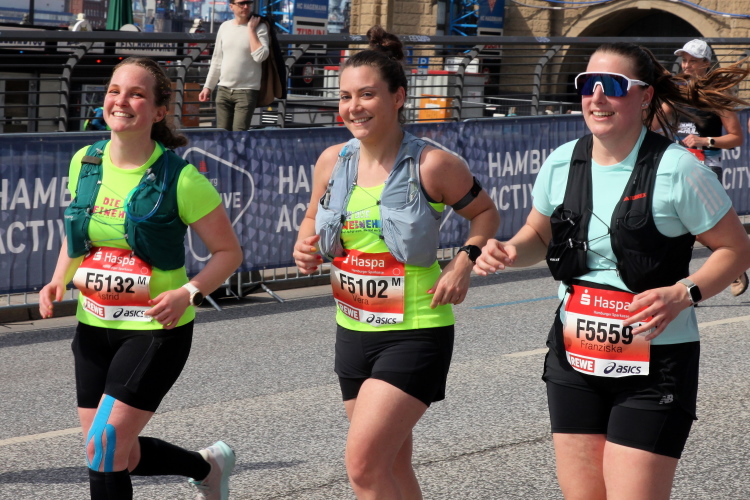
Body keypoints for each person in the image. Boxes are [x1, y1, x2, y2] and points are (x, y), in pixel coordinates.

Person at [474, 42, 750, 500]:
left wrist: (683, 292)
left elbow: (736, 250)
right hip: (575, 355)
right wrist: (508, 250)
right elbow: (538, 235)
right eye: (588, 84)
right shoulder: (563, 161)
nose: (597, 97)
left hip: (656, 362)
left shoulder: (678, 169)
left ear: (645, 96)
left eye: (614, 86)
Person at [293, 26, 499, 499]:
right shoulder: (331, 161)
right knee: (391, 464)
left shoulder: (432, 165)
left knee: (363, 467)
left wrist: (463, 261)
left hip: (416, 330)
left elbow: (486, 213)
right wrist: (305, 244)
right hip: (352, 329)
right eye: (346, 97)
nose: (354, 107)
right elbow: (310, 217)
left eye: (367, 95)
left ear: (398, 97)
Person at [38, 57, 243, 500]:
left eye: (136, 94)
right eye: (115, 90)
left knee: (105, 446)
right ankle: (206, 468)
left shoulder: (182, 179)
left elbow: (229, 254)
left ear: (158, 111)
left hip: (154, 330)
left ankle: (207, 470)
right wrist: (58, 279)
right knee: (113, 452)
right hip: (93, 327)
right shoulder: (85, 161)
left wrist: (189, 293)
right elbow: (78, 233)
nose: (121, 101)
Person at [670, 39, 748, 296]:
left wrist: (705, 141)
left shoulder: (716, 95)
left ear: (706, 63)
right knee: (680, 225)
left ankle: (733, 260)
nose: (686, 66)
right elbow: (659, 121)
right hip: (679, 166)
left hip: (706, 166)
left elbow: (736, 138)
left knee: (700, 227)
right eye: (684, 60)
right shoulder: (678, 92)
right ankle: (681, 285)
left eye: (692, 61)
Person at [199, 0, 269, 131]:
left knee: (239, 136)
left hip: (246, 91)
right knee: (222, 134)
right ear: (231, 6)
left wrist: (251, 30)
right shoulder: (224, 27)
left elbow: (260, 56)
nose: (246, 6)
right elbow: (217, 59)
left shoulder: (260, 27)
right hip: (223, 90)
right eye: (241, 3)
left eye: (249, 3)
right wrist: (208, 87)